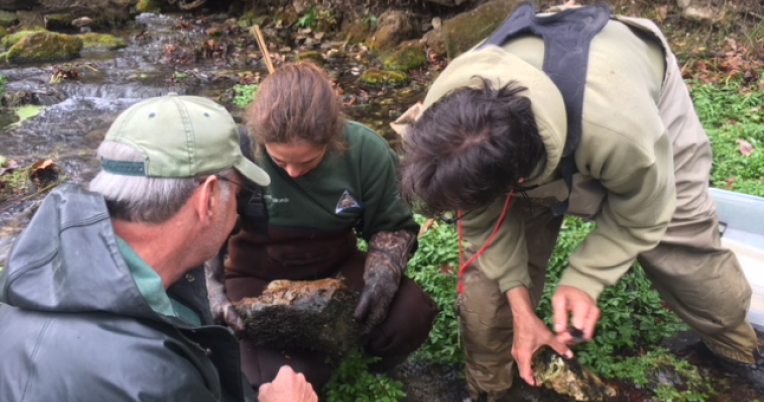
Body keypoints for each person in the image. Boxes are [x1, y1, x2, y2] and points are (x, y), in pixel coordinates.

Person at [393, 2, 763, 401]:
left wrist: (585, 280)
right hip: (519, 137)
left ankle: (737, 354)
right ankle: (492, 392)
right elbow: (483, 224)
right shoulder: (447, 124)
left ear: (518, 182)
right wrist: (522, 310)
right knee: (489, 300)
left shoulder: (621, 130)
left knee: (693, 272)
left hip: (631, 87)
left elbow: (645, 213)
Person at [0, 94, 317, 402]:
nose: (237, 211)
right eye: (237, 192)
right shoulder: (157, 380)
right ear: (207, 199)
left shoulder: (28, 274)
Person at [205, 62, 438, 392]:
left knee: (410, 313)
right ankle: (312, 364)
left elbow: (393, 228)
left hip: (337, 269)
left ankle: (371, 365)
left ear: (333, 138)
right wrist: (214, 292)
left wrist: (380, 281)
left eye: (307, 162)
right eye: (280, 161)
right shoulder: (236, 153)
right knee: (285, 379)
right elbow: (205, 236)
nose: (292, 172)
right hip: (254, 276)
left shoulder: (365, 151)